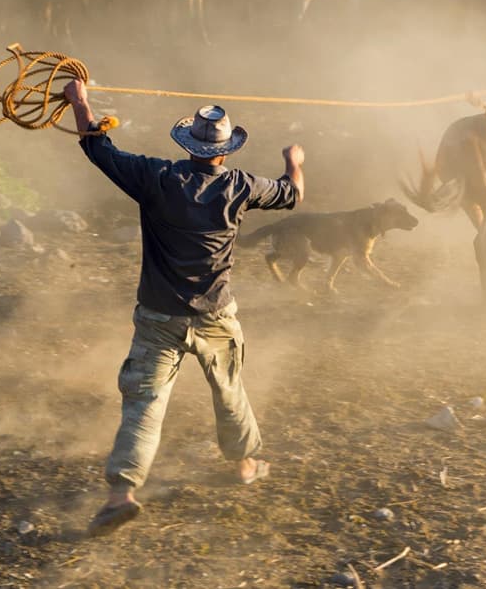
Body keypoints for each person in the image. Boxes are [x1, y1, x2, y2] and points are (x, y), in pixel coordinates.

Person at [62, 79, 305, 537]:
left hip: (157, 317)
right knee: (229, 389)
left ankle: (122, 493)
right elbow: (292, 194)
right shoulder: (240, 185)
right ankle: (245, 465)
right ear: (225, 151)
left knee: (144, 403)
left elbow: (98, 148)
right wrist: (294, 161)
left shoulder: (156, 177)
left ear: (188, 145)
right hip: (216, 315)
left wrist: (80, 102)